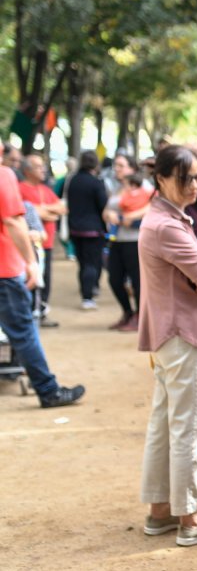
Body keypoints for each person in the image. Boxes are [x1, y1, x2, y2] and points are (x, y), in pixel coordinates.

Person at [138, 144, 197, 546]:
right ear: (161, 179)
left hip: (168, 333)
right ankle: (190, 518)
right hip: (181, 334)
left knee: (164, 423)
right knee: (185, 428)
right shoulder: (169, 226)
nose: (195, 185)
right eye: (186, 178)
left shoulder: (163, 218)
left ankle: (161, 510)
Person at [0, 163, 85, 407]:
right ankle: (48, 390)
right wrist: (31, 262)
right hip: (4, 269)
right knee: (24, 331)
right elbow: (14, 222)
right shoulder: (3, 175)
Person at [17, 153, 65, 327]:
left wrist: (43, 209)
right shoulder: (20, 188)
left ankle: (42, 311)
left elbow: (62, 208)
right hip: (28, 245)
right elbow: (26, 210)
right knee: (32, 279)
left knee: (45, 279)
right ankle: (31, 314)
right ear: (27, 170)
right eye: (38, 166)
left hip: (47, 243)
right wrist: (47, 212)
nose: (43, 170)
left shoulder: (46, 189)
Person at [103, 156, 150, 332]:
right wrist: (110, 216)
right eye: (115, 165)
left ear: (132, 168)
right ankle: (127, 312)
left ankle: (140, 316)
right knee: (114, 278)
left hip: (136, 240)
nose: (117, 169)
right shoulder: (116, 188)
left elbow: (153, 206)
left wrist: (128, 217)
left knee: (138, 281)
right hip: (117, 239)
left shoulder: (144, 186)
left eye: (121, 166)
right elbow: (106, 210)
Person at [65, 150, 109, 310]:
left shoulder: (73, 180)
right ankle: (88, 295)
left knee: (83, 263)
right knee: (92, 263)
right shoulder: (96, 182)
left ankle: (86, 288)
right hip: (93, 230)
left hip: (75, 229)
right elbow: (103, 206)